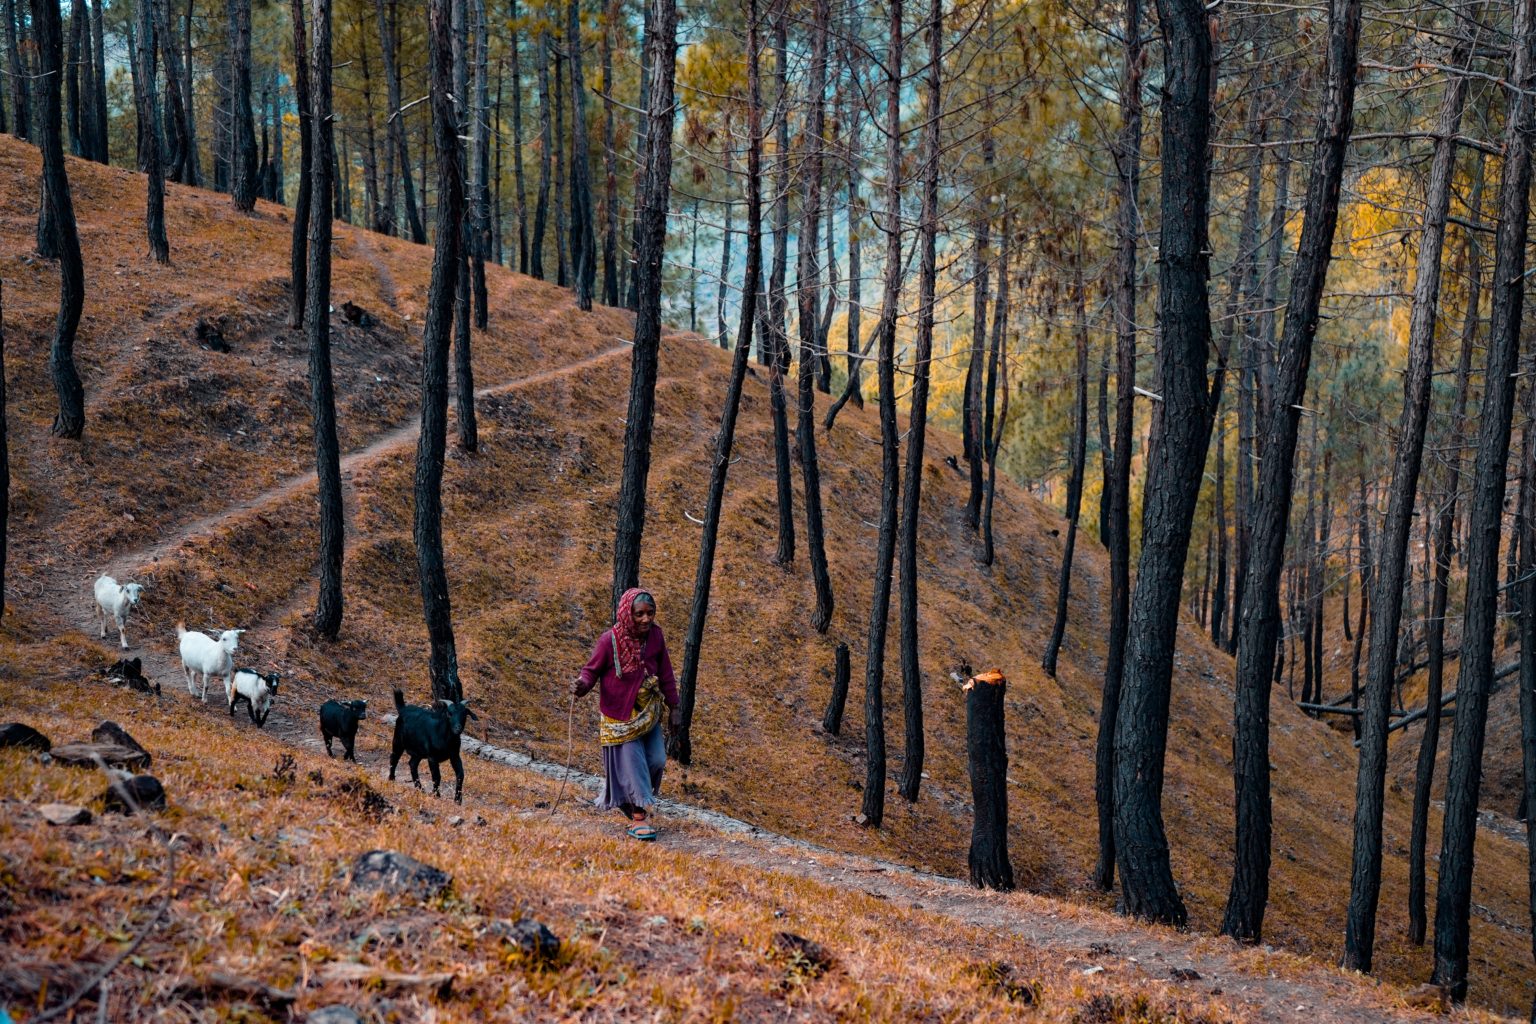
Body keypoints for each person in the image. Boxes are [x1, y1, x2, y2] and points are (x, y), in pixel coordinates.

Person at [573, 587, 681, 840]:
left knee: (656, 760)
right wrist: (581, 685)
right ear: (627, 614)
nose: (646, 619)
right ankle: (639, 817)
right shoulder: (608, 640)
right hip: (620, 716)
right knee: (634, 764)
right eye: (639, 614)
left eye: (650, 613)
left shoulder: (656, 637)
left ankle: (630, 801)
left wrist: (675, 707)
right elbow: (590, 671)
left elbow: (666, 673)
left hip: (648, 712)